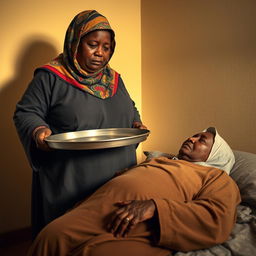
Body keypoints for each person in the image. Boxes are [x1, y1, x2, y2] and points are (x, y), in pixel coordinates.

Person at [13, 10, 146, 239]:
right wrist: (38, 131)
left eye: (107, 47)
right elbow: (26, 112)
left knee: (109, 240)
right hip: (70, 180)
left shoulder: (113, 79)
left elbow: (130, 105)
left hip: (115, 176)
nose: (100, 54)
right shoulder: (51, 76)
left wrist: (136, 122)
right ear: (75, 42)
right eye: (93, 44)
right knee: (67, 239)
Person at [27, 127, 241, 256]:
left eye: (201, 140)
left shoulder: (217, 178)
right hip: (98, 207)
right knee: (50, 236)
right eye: (194, 135)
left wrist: (155, 208)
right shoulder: (162, 160)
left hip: (142, 224)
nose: (192, 139)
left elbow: (217, 217)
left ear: (215, 156)